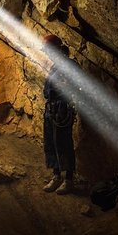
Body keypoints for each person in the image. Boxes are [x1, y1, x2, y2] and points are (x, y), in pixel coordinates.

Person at [41, 34, 76, 195]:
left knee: (64, 144)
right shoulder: (55, 66)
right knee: (51, 142)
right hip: (52, 109)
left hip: (62, 109)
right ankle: (56, 175)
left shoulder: (69, 65)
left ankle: (69, 179)